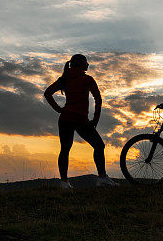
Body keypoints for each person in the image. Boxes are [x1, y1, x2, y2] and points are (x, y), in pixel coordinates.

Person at [44, 54, 118, 188]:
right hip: (79, 119)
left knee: (65, 149)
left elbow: (47, 93)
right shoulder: (87, 79)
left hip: (65, 118)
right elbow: (98, 99)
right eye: (86, 62)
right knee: (99, 146)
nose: (88, 64)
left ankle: (64, 182)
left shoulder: (64, 79)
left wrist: (58, 109)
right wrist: (95, 119)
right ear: (80, 64)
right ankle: (102, 178)